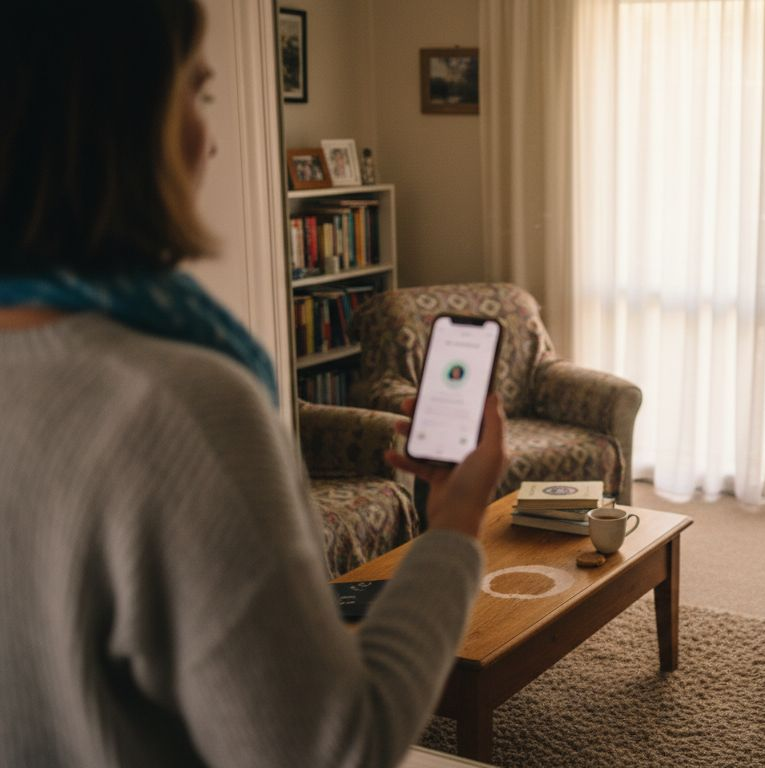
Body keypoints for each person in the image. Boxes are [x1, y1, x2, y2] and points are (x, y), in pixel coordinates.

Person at [0, 2, 506, 765]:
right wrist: (455, 528)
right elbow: (334, 747)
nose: (212, 139)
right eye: (197, 93)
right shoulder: (179, 409)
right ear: (123, 123)